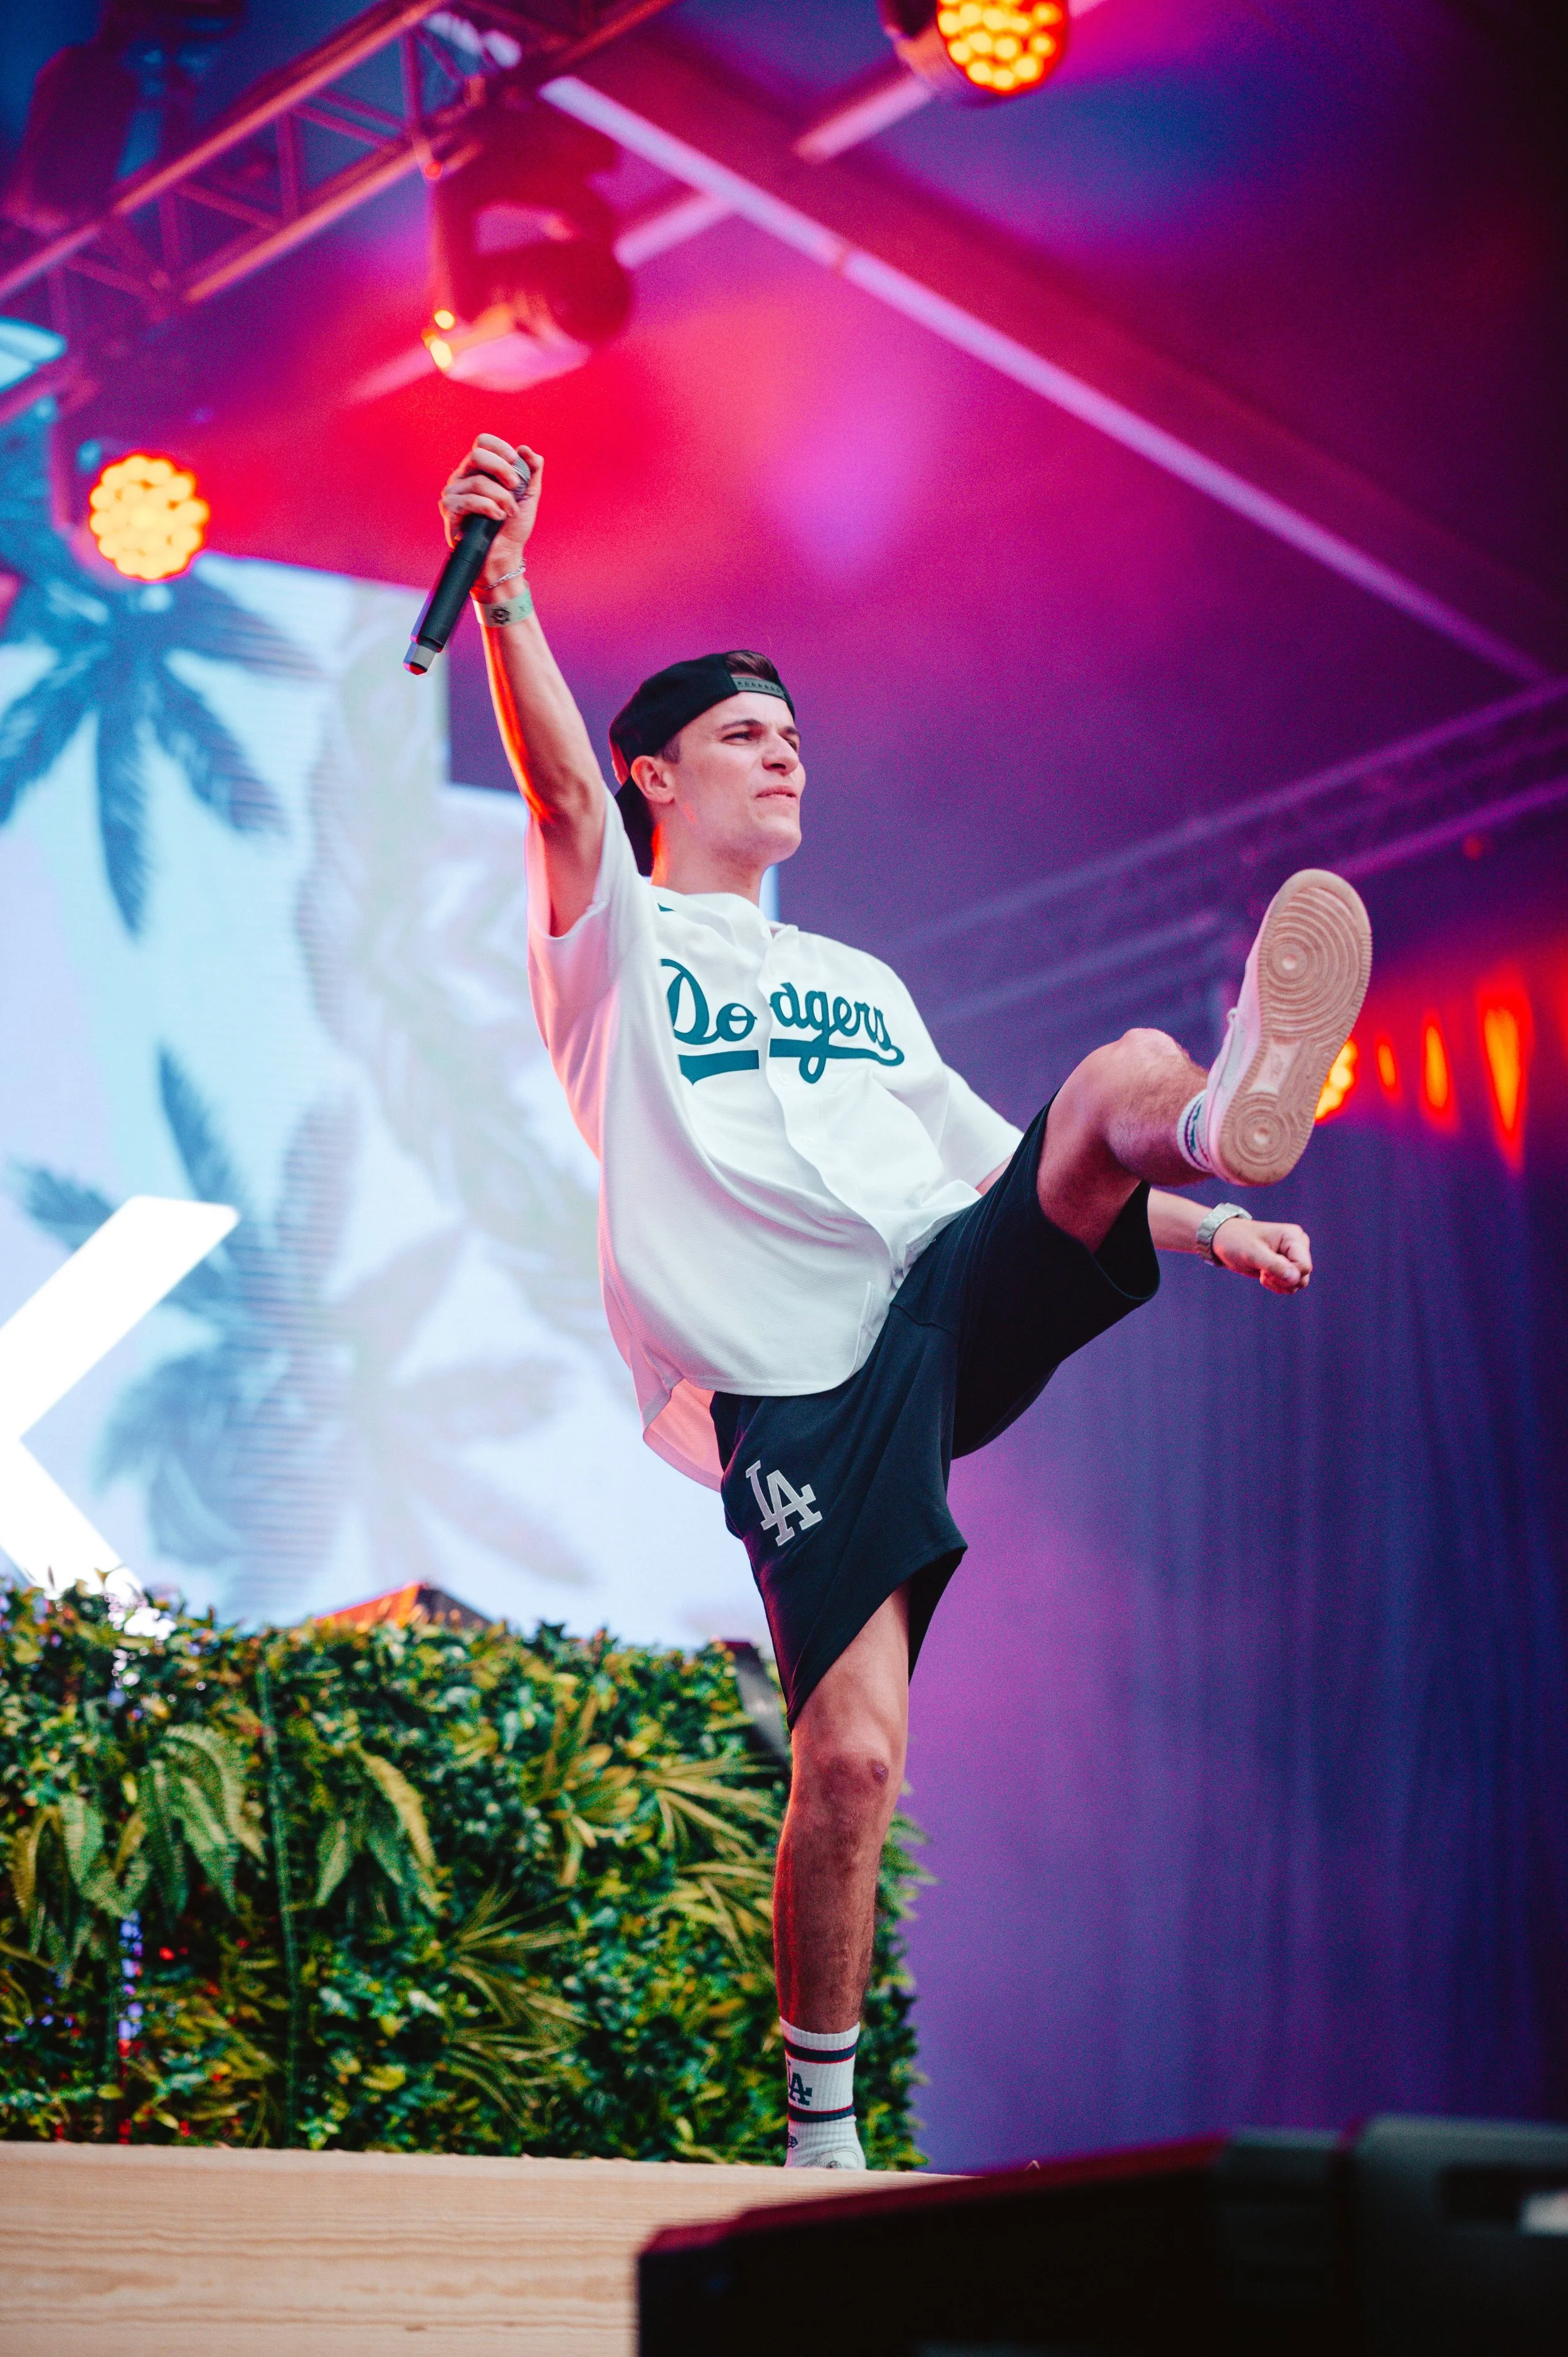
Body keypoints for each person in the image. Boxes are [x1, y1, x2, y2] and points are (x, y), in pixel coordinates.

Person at [438, 431, 1372, 2170]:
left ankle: (1218, 1108)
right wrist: (506, 594)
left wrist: (1204, 1225)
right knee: (854, 1758)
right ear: (657, 775)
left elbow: (993, 1159)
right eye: (744, 736)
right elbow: (558, 797)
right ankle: (821, 2135)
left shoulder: (857, 982)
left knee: (1116, 1075)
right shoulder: (609, 946)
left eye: (794, 733)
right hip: (797, 1388)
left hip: (939, 1306)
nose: (785, 752)